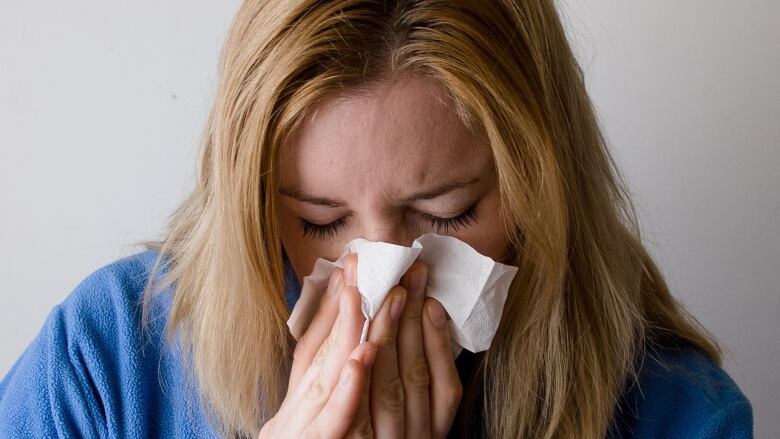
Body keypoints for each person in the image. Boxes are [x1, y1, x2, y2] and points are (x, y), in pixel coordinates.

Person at [0, 1, 754, 438]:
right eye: (320, 220)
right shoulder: (103, 362)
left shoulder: (679, 413)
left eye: (447, 212)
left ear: (542, 187)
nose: (381, 279)